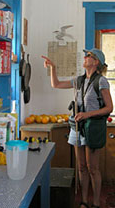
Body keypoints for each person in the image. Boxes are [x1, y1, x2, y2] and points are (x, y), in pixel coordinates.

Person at [41, 48, 113, 208]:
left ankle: (95, 203)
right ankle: (84, 201)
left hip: (92, 127)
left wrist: (87, 115)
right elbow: (56, 84)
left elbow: (109, 108)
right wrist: (53, 68)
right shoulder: (79, 80)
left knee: (92, 168)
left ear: (96, 62)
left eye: (89, 56)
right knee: (81, 167)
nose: (85, 57)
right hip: (77, 127)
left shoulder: (101, 81)